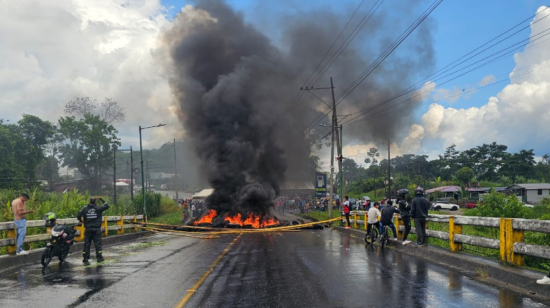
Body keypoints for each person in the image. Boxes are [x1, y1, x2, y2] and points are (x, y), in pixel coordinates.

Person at [77, 197, 110, 263]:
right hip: (96, 229)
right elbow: (107, 206)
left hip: (88, 229)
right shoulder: (98, 208)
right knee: (98, 244)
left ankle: (85, 258)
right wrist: (101, 199)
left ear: (90, 201)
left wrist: (81, 221)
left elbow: (78, 215)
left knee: (87, 243)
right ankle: (99, 258)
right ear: (95, 202)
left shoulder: (84, 208)